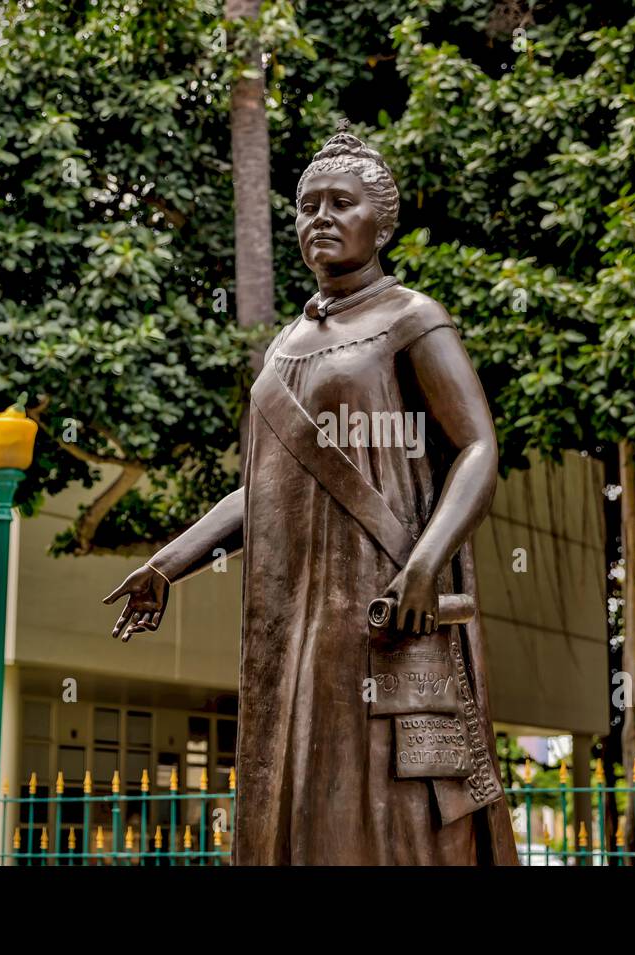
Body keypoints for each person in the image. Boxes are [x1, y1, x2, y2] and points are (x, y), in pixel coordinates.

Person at [104, 132, 517, 865]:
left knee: (388, 795)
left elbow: (480, 447)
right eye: (306, 206)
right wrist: (167, 563)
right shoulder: (286, 344)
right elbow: (265, 490)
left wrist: (424, 566)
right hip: (290, 616)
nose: (318, 218)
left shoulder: (413, 319)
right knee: (293, 784)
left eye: (340, 203)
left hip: (382, 600)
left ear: (381, 224)